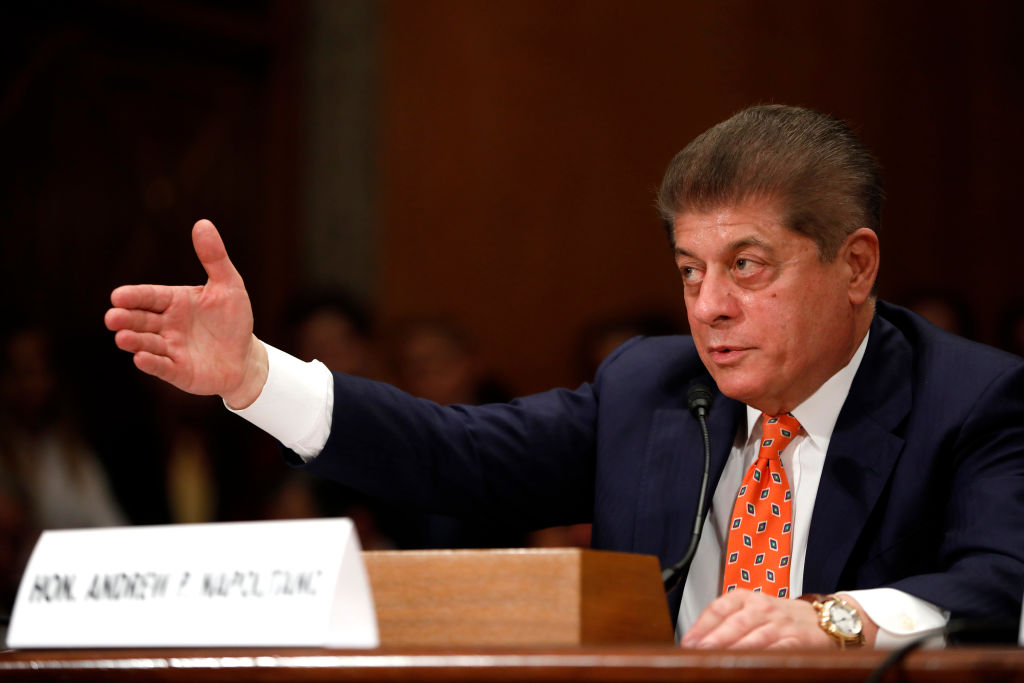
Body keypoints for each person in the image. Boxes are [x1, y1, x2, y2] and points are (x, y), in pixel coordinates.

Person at [104, 105, 1024, 649]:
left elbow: (1003, 582)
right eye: (690, 270)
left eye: (748, 266)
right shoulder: (650, 386)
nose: (709, 307)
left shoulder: (973, 400)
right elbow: (451, 453)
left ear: (855, 265)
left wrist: (830, 621)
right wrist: (255, 374)